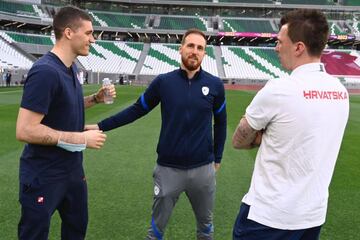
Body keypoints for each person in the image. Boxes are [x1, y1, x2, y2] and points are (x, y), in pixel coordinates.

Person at [86, 28, 227, 239]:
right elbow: (136, 110)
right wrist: (101, 126)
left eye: (200, 48)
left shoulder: (214, 85)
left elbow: (221, 123)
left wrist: (217, 158)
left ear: (204, 53)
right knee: (156, 231)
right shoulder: (164, 82)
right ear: (181, 49)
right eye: (190, 46)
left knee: (206, 228)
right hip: (168, 170)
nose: (194, 51)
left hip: (202, 170)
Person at [231, 9, 349, 240]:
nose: (276, 47)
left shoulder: (279, 89)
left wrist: (263, 136)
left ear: (298, 47)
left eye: (280, 41)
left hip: (267, 218)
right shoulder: (340, 92)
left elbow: (238, 140)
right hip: (312, 217)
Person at [16, 6, 116, 240]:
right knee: (34, 235)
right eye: (89, 33)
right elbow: (25, 129)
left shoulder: (70, 67)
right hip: (44, 174)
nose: (93, 39)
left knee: (76, 230)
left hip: (72, 171)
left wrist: (94, 99)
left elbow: (63, 105)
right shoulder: (45, 71)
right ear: (69, 33)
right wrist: (82, 138)